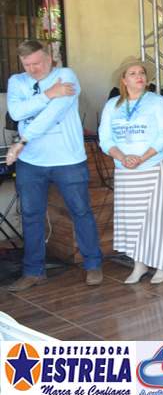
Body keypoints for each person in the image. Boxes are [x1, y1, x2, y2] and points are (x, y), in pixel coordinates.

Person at [5, 40, 103, 291]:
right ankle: (33, 271)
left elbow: (52, 115)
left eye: (37, 63)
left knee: (81, 211)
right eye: (27, 64)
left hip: (68, 160)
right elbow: (16, 113)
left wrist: (23, 140)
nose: (32, 69)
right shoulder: (17, 81)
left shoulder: (66, 76)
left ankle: (93, 265)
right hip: (30, 162)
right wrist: (49, 94)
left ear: (49, 58)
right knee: (31, 215)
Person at [99, 56, 163, 284]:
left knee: (156, 218)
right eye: (133, 73)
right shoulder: (112, 105)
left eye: (141, 73)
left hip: (151, 166)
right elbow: (105, 139)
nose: (139, 77)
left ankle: (161, 265)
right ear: (123, 80)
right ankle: (139, 265)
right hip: (125, 169)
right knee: (131, 220)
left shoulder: (157, 102)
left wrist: (142, 157)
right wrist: (123, 157)